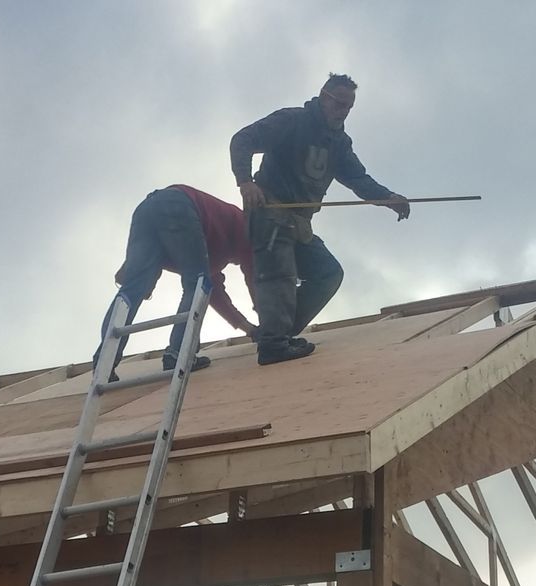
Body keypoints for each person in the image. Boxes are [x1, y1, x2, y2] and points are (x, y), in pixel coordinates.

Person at [230, 73, 410, 365]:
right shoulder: (292, 121)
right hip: (270, 212)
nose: (343, 112)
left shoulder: (338, 143)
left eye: (349, 107)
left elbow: (357, 178)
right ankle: (274, 345)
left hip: (299, 222)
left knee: (327, 273)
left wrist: (388, 197)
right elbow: (242, 140)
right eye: (339, 104)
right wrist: (245, 182)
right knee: (279, 276)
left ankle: (277, 334)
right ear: (324, 98)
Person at [108, 184, 258, 377]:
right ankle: (178, 354)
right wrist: (268, 324)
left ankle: (105, 362)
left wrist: (248, 328)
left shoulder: (214, 253)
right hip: (178, 204)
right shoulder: (246, 229)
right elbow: (255, 280)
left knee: (132, 289)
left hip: (148, 208)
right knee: (196, 285)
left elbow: (213, 294)